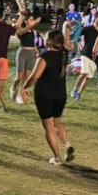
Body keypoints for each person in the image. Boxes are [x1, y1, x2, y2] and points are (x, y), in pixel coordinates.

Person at [23, 29, 76, 165]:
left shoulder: (44, 57)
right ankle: (67, 144)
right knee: (58, 121)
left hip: (45, 95)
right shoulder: (63, 55)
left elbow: (35, 76)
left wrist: (24, 87)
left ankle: (57, 157)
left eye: (46, 37)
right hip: (60, 94)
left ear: (50, 41)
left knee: (48, 127)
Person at [11, 0, 42, 105]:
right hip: (22, 53)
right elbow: (23, 17)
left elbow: (33, 42)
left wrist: (37, 52)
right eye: (30, 19)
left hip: (32, 53)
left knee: (27, 77)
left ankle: (20, 95)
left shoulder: (32, 30)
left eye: (32, 19)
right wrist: (21, 9)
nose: (32, 20)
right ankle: (13, 88)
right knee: (18, 78)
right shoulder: (20, 30)